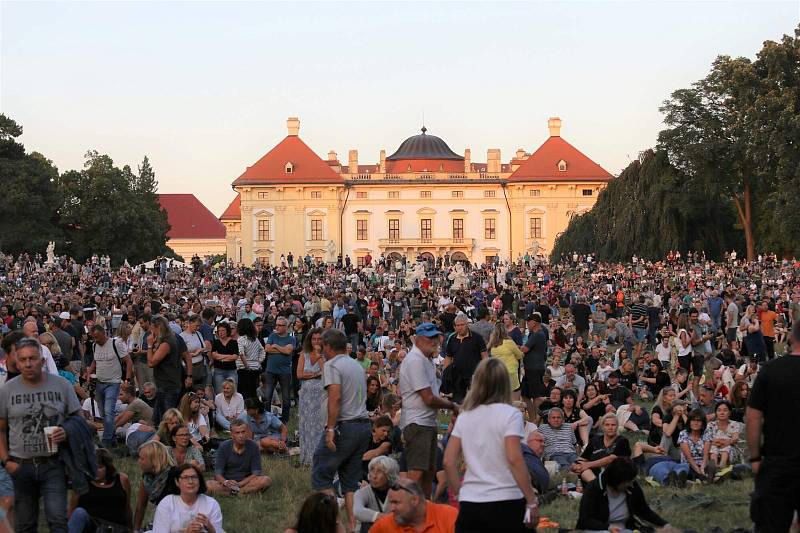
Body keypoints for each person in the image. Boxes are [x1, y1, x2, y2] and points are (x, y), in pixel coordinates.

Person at [444, 357, 539, 533]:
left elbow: (448, 461)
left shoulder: (466, 416)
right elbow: (514, 458)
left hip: (471, 501)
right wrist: (531, 499)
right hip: (506, 499)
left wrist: (459, 494)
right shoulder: (511, 415)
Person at [0, 336, 81, 533]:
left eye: (33, 358)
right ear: (16, 363)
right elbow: (0, 429)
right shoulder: (7, 390)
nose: (28, 364)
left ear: (43, 360)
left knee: (57, 520)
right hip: (21, 465)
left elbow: (78, 420)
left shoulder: (61, 385)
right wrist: (6, 461)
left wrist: (66, 430)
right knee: (25, 524)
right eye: (23, 359)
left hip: (53, 463)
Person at [312, 329, 371, 532]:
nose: (320, 350)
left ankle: (337, 525)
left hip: (344, 426)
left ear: (328, 346)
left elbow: (335, 397)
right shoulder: (356, 364)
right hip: (363, 425)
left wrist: (330, 429)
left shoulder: (332, 365)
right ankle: (354, 525)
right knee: (350, 480)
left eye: (322, 346)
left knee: (321, 473)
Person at [747, 320, 800, 531]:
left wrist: (754, 457)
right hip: (780, 463)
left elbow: (753, 417)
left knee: (771, 524)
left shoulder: (770, 370)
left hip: (778, 462)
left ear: (791, 339)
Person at [399, 322, 458, 498]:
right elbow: (428, 398)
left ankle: (424, 512)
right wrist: (452, 406)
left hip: (427, 423)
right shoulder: (415, 361)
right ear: (419, 339)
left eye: (436, 337)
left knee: (428, 472)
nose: (435, 341)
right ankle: (408, 511)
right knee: (416, 474)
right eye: (430, 337)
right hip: (418, 424)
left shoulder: (426, 360)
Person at [575, 457, 668, 531]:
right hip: (597, 530)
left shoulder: (632, 486)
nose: (631, 484)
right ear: (617, 481)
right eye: (628, 481)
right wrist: (607, 528)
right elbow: (585, 520)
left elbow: (643, 510)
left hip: (624, 530)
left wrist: (664, 524)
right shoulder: (594, 489)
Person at [86, 324, 132, 448]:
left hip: (113, 382)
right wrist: (89, 371)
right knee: (103, 413)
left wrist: (127, 379)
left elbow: (128, 361)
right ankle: (112, 440)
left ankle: (105, 442)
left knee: (108, 411)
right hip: (99, 382)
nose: (96, 340)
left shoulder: (115, 344)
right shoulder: (95, 345)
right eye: (93, 338)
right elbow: (95, 361)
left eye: (98, 337)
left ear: (104, 333)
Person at [67, 448, 131, 532]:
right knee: (79, 512)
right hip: (91, 527)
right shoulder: (82, 483)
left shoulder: (122, 480)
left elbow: (127, 510)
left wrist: (132, 529)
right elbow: (71, 512)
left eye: (100, 467)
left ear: (108, 467)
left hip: (115, 528)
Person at [207, 419, 272, 495]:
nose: (241, 436)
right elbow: (218, 472)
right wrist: (226, 482)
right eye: (237, 433)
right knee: (208, 485)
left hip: (246, 482)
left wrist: (240, 484)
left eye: (243, 432)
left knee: (266, 480)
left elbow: (256, 472)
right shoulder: (224, 446)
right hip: (227, 483)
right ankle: (242, 492)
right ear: (232, 435)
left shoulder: (253, 446)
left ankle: (238, 492)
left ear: (247, 432)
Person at [152, 463, 223, 533]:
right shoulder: (166, 503)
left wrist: (210, 528)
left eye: (194, 477)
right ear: (177, 482)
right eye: (185, 477)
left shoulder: (211, 504)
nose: (190, 481)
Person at [368, 479, 458, 533]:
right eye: (391, 503)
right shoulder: (385, 524)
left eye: (396, 503)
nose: (391, 508)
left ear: (415, 500)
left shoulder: (449, 516)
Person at [148, 317, 187, 426]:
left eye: (152, 328)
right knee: (159, 418)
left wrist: (150, 345)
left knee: (168, 419)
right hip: (165, 384)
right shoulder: (169, 339)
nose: (151, 331)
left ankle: (170, 440)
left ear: (158, 327)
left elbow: (151, 363)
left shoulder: (167, 342)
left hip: (168, 385)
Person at [572, 414, 631, 483]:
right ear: (602, 427)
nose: (610, 427)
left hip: (615, 472)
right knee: (584, 470)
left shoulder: (622, 441)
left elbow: (611, 458)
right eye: (607, 425)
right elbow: (583, 458)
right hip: (595, 473)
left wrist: (588, 464)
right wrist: (575, 465)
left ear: (617, 426)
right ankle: (598, 487)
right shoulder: (595, 440)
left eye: (613, 425)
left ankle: (598, 487)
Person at [133, 441, 177, 532]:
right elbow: (141, 505)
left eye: (142, 458)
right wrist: (135, 530)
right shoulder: (147, 478)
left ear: (154, 459)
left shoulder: (175, 476)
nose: (138, 461)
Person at [443, 315, 487, 403]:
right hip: (457, 376)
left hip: (474, 375)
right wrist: (446, 374)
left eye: (462, 325)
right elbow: (448, 357)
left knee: (476, 401)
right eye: (457, 325)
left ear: (467, 325)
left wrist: (485, 372)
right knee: (458, 401)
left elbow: (484, 356)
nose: (459, 327)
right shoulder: (452, 339)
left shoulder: (477, 338)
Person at [297, 327, 324, 466]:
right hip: (306, 396)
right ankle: (307, 456)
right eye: (314, 339)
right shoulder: (304, 354)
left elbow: (326, 372)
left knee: (319, 425)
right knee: (307, 424)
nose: (316, 341)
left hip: (321, 396)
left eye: (319, 339)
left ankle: (318, 456)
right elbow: (299, 374)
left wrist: (319, 355)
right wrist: (314, 374)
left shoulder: (325, 355)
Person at [263, 317, 297, 424]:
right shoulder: (272, 335)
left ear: (286, 327)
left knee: (286, 398)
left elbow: (288, 351)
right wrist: (282, 350)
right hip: (271, 371)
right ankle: (267, 418)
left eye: (280, 325)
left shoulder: (291, 338)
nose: (276, 327)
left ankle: (285, 419)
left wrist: (276, 346)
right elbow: (267, 349)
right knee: (267, 397)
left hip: (284, 372)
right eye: (276, 324)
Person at [354, 455, 398, 533]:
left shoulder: (399, 491)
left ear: (389, 475)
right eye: (372, 470)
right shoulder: (363, 492)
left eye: (379, 471)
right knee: (368, 523)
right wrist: (383, 517)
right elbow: (357, 511)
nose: (374, 475)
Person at [488, 322, 524, 401]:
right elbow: (519, 355)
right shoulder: (509, 342)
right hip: (511, 373)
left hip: (499, 373)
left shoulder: (493, 345)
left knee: (502, 399)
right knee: (514, 400)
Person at [521, 313, 548, 416]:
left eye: (529, 321)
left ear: (534, 322)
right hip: (530, 368)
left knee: (535, 396)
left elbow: (525, 349)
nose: (527, 323)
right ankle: (533, 416)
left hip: (534, 368)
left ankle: (537, 417)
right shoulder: (534, 333)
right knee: (525, 395)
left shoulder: (538, 334)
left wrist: (513, 346)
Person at [704, 401, 742, 470]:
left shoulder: (734, 424)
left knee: (726, 446)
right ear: (716, 413)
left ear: (729, 413)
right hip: (714, 449)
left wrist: (724, 442)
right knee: (713, 447)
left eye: (725, 410)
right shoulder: (711, 425)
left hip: (731, 450)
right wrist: (721, 442)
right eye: (719, 410)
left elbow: (735, 438)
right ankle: (714, 467)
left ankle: (722, 465)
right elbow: (707, 440)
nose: (722, 413)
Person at [538, 407, 578, 471]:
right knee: (564, 465)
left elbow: (574, 443)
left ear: (563, 419)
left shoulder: (569, 427)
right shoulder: (543, 428)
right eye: (553, 418)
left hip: (570, 453)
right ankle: (571, 478)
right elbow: (537, 443)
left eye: (558, 417)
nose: (556, 420)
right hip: (554, 454)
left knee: (578, 464)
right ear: (548, 419)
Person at [236, 318, 265, 400]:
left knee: (244, 393)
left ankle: (246, 410)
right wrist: (259, 361)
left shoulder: (241, 339)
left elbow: (241, 353)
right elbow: (263, 350)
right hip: (255, 368)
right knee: (252, 391)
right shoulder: (255, 339)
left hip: (243, 369)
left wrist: (246, 365)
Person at [210, 322, 239, 394]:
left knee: (233, 392)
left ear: (227, 331)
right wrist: (228, 356)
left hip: (231, 370)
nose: (221, 332)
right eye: (219, 331)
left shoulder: (233, 342)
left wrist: (220, 357)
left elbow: (235, 356)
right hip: (219, 370)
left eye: (223, 330)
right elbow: (213, 355)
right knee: (219, 392)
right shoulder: (216, 342)